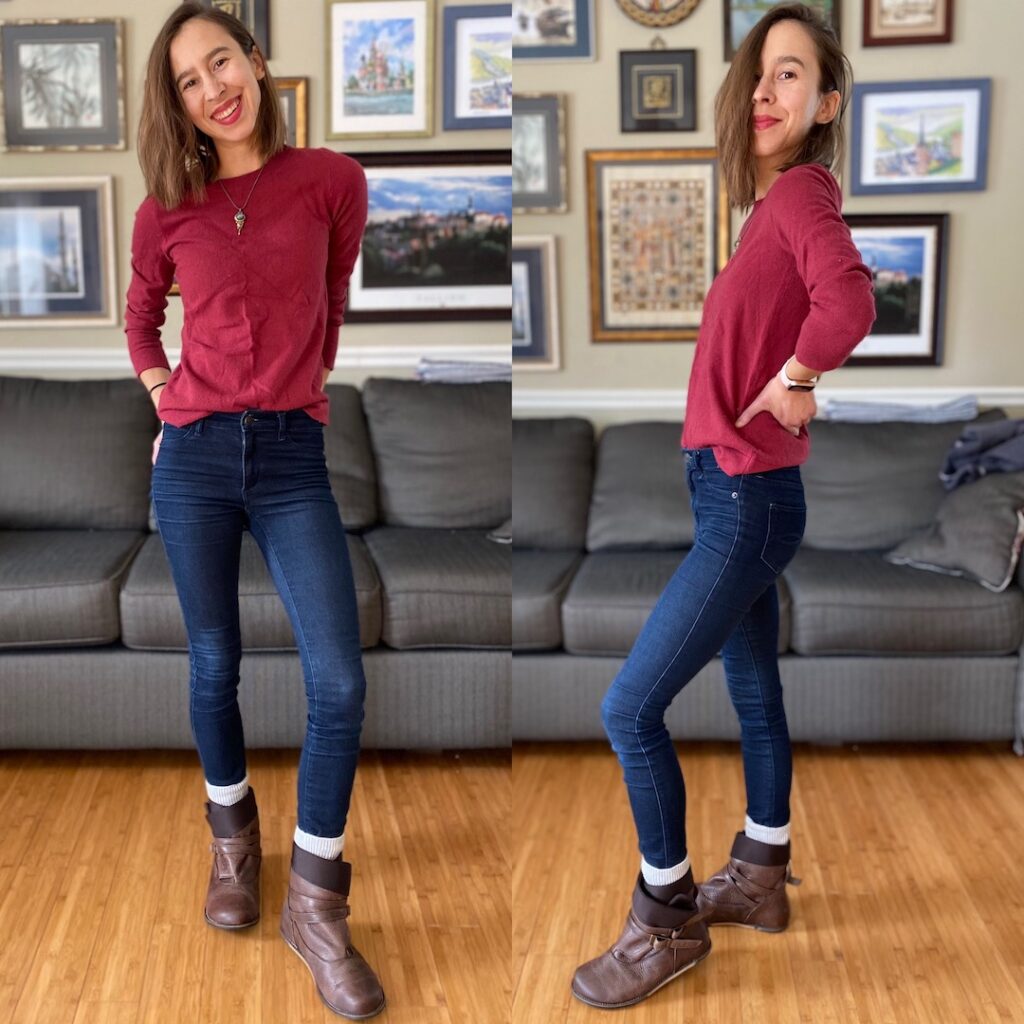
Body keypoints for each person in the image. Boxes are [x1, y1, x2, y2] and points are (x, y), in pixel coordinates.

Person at [571, 4, 877, 1010]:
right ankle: (757, 876)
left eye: (790, 75)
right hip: (735, 488)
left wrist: (797, 373)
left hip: (746, 497)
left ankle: (665, 921)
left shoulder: (800, 195)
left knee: (627, 707)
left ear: (827, 102)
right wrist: (783, 373)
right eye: (759, 73)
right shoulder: (776, 205)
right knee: (752, 692)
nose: (764, 90)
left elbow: (853, 302)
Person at [125, 4, 382, 1018]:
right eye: (188, 80)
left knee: (339, 678)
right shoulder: (165, 209)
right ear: (179, 105)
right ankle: (234, 851)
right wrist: (164, 396)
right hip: (191, 457)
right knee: (213, 662)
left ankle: (315, 901)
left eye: (219, 60)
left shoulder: (332, 181)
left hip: (288, 456)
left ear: (255, 60)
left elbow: (329, 297)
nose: (212, 87)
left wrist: (287, 391)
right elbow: (141, 315)